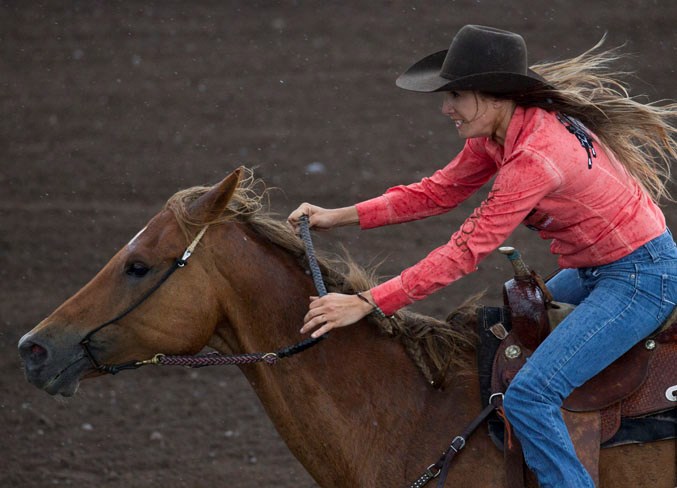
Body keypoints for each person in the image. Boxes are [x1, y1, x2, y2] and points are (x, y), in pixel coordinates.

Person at [287, 24, 677, 487]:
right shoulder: (500, 133)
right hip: (599, 269)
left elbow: (466, 250)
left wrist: (369, 301)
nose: (445, 107)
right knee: (507, 349)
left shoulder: (535, 156)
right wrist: (340, 215)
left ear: (494, 96)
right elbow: (438, 192)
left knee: (530, 396)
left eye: (456, 94)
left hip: (638, 280)